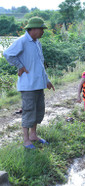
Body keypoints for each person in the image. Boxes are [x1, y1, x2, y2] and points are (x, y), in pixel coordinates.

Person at [3, 17, 55, 149]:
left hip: (38, 84)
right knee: (28, 111)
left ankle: (33, 135)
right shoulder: (22, 41)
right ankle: (26, 140)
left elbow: (40, 64)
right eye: (42, 29)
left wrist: (47, 80)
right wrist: (20, 66)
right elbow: (7, 54)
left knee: (38, 111)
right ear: (34, 29)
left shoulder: (37, 43)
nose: (43, 31)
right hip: (28, 85)